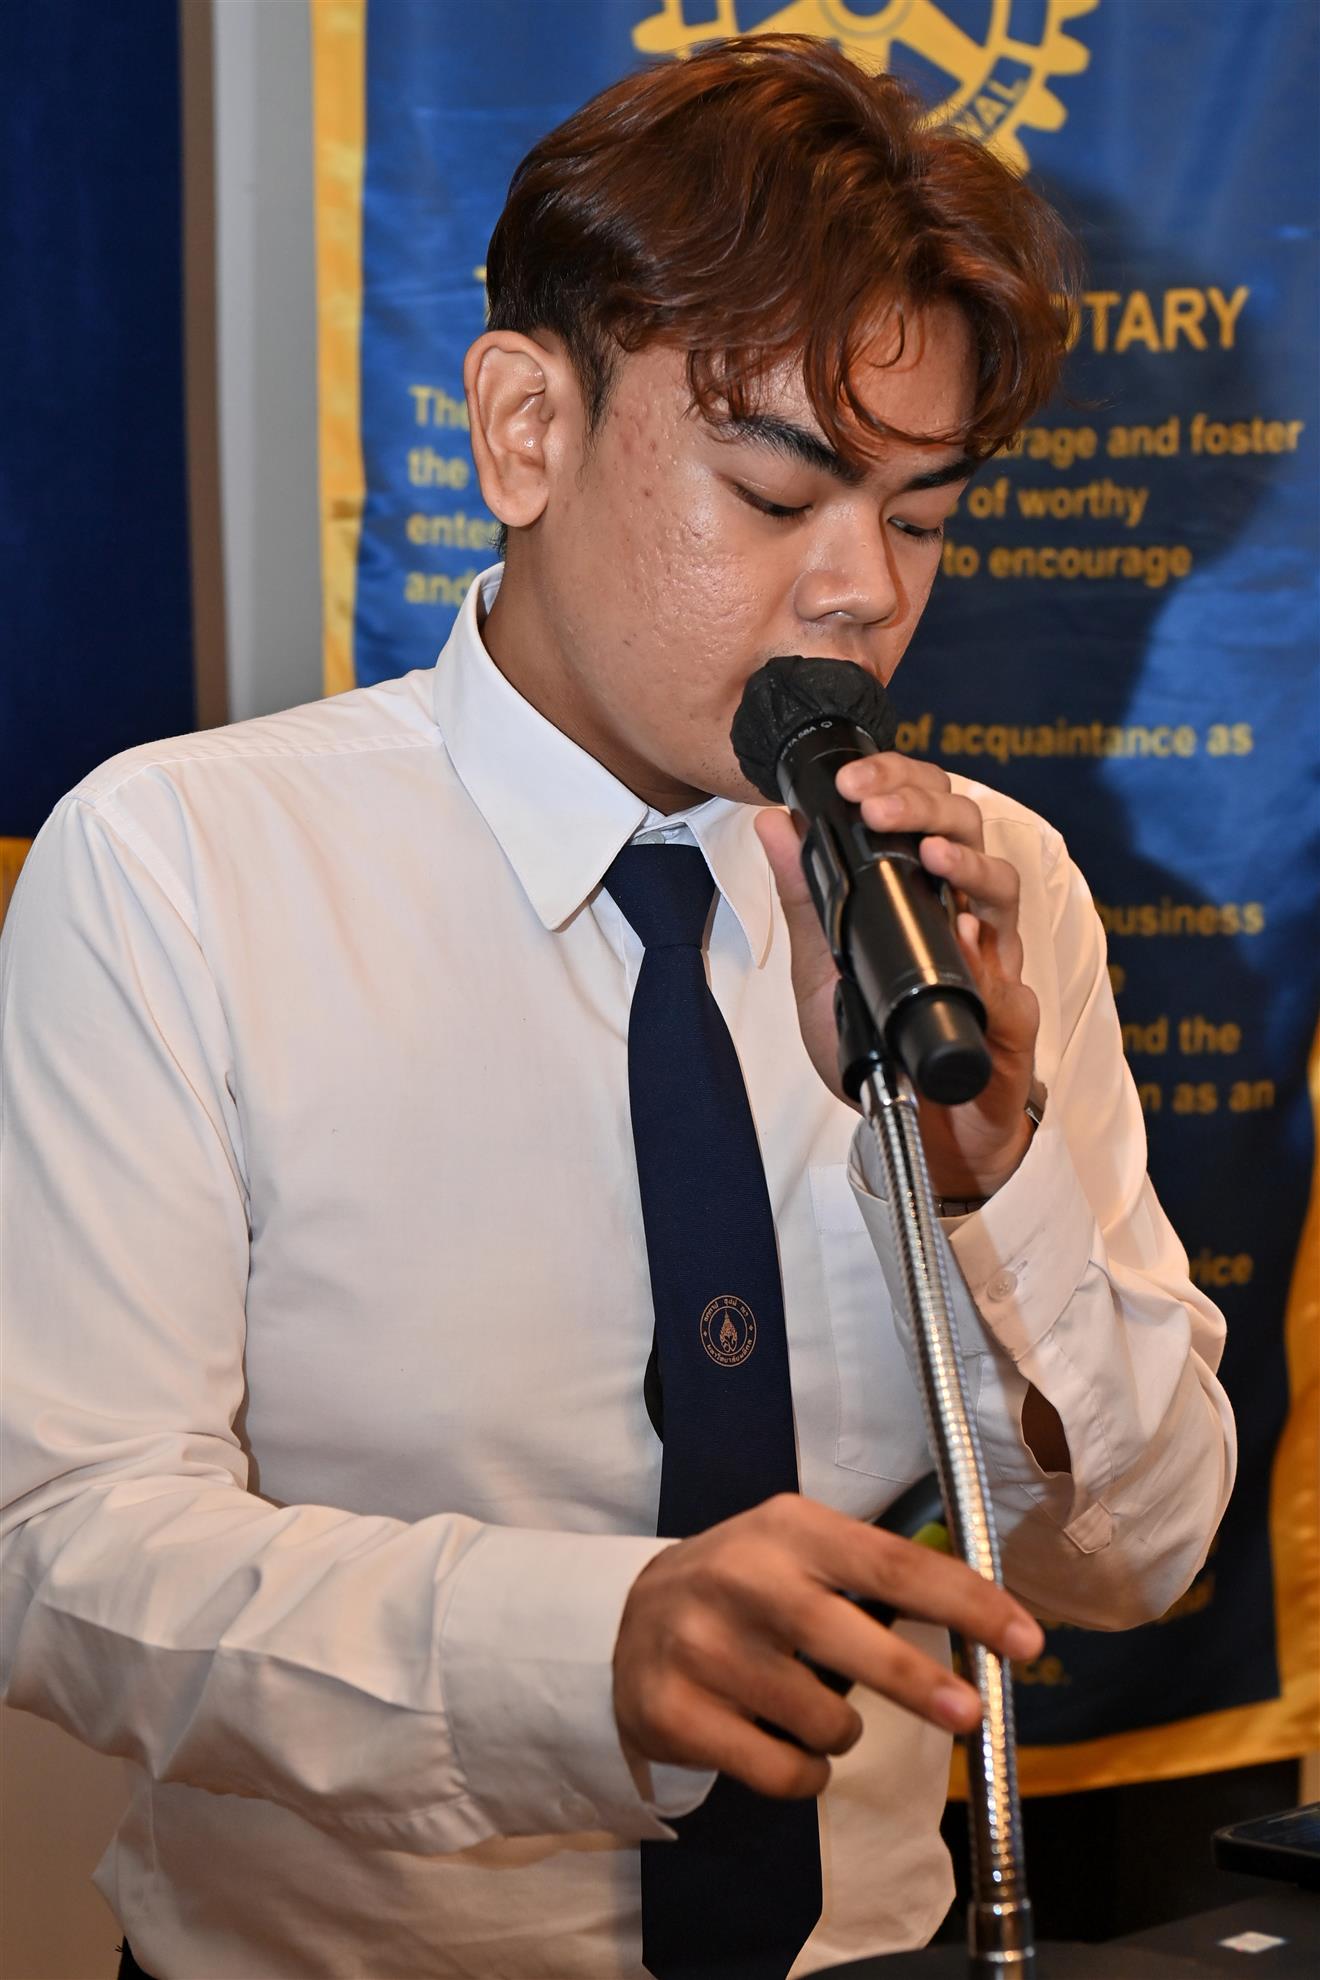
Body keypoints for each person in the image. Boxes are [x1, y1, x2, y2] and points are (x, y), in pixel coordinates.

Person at [0, 36, 1234, 1980]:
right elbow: (63, 1547)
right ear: (525, 430)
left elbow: (1135, 1555)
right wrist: (584, 1650)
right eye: (774, 489)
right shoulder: (179, 868)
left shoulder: (984, 892)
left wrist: (992, 1180)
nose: (862, 594)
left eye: (920, 517)